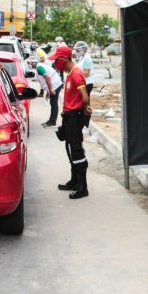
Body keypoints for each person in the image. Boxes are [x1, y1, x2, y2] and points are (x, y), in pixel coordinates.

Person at [49, 45, 91, 199]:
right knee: (70, 148)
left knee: (76, 150)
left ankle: (82, 187)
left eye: (56, 60)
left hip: (74, 117)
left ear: (64, 59)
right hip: (69, 116)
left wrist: (85, 109)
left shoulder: (76, 74)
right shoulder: (70, 74)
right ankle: (74, 181)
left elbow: (85, 97)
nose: (55, 64)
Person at [37, 53, 63, 127]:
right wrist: (49, 91)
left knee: (54, 103)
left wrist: (51, 89)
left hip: (55, 85)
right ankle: (51, 120)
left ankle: (52, 121)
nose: (29, 65)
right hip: (55, 84)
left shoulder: (39, 68)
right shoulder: (39, 66)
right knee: (53, 103)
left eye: (30, 63)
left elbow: (47, 77)